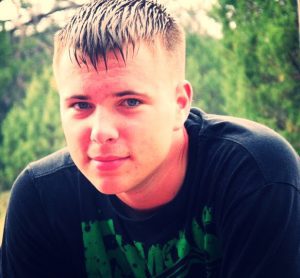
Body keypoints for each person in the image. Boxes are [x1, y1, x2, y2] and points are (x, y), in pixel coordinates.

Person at [1, 0, 300, 277]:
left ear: (180, 104)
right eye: (81, 105)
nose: (101, 132)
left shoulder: (256, 174)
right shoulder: (40, 198)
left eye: (130, 102)